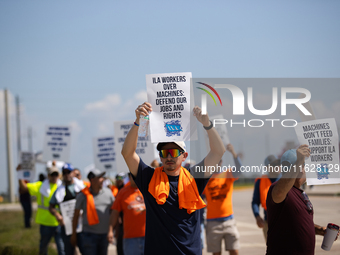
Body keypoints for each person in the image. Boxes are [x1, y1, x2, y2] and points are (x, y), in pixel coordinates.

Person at [121, 102, 225, 255]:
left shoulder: (194, 177)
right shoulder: (149, 177)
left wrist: (207, 124)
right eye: (164, 152)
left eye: (174, 151)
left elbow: (218, 152)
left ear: (184, 156)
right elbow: (127, 154)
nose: (169, 156)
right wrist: (138, 121)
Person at [266, 145, 339, 255]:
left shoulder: (300, 192)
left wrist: (319, 230)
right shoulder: (278, 189)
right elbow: (279, 193)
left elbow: (296, 223)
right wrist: (299, 161)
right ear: (300, 168)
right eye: (305, 166)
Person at [203, 144, 242, 255]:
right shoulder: (206, 178)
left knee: (234, 250)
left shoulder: (228, 174)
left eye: (219, 161)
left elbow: (239, 169)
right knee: (216, 253)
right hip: (212, 222)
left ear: (221, 162)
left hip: (229, 220)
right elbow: (202, 197)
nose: (217, 163)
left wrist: (234, 153)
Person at [18, 163, 64, 255]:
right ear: (48, 175)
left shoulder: (62, 186)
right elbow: (24, 187)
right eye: (52, 174)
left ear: (59, 176)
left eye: (56, 174)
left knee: (62, 249)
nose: (54, 176)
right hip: (45, 223)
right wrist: (20, 174)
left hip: (59, 222)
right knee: (43, 248)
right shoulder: (40, 186)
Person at [71, 169, 115, 255]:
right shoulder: (83, 195)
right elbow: (76, 216)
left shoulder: (108, 193)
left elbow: (114, 212)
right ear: (92, 180)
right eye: (99, 177)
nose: (102, 179)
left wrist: (111, 230)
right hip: (88, 235)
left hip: (104, 235)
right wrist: (74, 234)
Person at [49, 163, 86, 255]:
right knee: (69, 252)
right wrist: (57, 215)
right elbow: (51, 207)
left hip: (82, 225)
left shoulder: (82, 187)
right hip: (66, 226)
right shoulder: (59, 190)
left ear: (73, 173)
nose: (66, 175)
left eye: (68, 172)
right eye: (64, 172)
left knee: (85, 250)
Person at [109, 173, 146, 255]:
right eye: (133, 177)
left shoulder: (148, 189)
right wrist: (111, 230)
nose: (135, 179)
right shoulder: (123, 192)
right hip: (130, 239)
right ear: (129, 177)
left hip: (148, 237)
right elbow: (115, 212)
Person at [251, 155, 281, 241]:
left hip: (286, 221)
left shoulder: (286, 179)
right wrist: (257, 216)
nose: (277, 166)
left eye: (278, 164)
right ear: (267, 167)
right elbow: (255, 202)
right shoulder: (260, 182)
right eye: (274, 164)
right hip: (269, 223)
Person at [17, 164, 32, 228]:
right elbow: (21, 189)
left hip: (27, 197)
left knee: (29, 212)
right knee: (27, 212)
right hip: (24, 198)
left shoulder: (27, 179)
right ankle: (27, 225)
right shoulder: (22, 180)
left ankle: (28, 224)